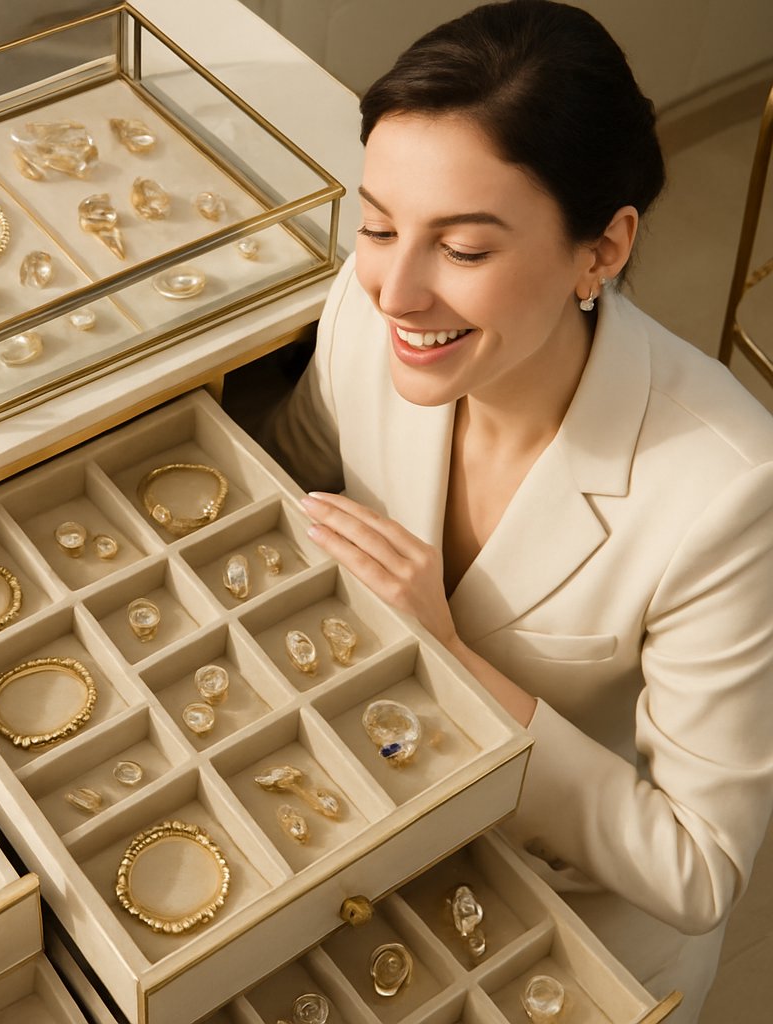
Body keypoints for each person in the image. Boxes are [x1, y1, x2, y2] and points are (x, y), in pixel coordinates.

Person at [271, 1, 773, 1019]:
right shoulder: (365, 312)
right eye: (377, 226)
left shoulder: (730, 492)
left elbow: (696, 868)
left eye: (461, 249)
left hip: (563, 920)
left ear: (603, 249)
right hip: (359, 813)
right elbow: (295, 474)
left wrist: (449, 657)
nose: (394, 290)